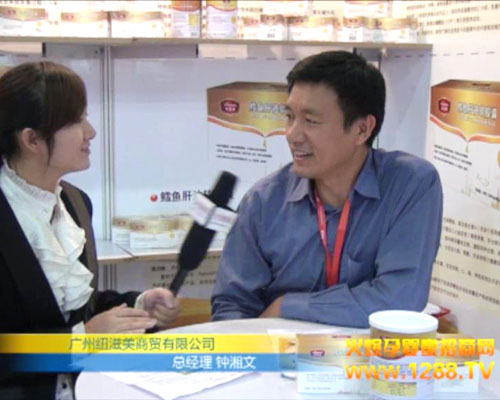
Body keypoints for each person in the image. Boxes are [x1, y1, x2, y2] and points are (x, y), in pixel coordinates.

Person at [211, 51, 443, 327]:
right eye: (290, 116)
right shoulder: (263, 201)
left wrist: (288, 306)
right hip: (280, 352)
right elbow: (233, 307)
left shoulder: (410, 185)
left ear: (362, 129)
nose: (292, 134)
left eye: (311, 121)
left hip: (368, 353)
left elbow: (399, 299)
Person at [0, 61, 180, 399]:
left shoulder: (75, 203)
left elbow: (75, 305)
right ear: (32, 139)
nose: (91, 131)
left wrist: (136, 305)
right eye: (76, 120)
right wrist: (82, 340)